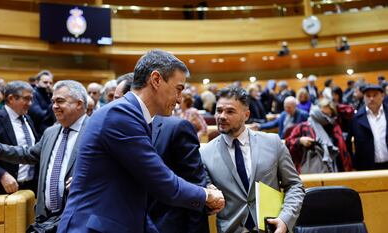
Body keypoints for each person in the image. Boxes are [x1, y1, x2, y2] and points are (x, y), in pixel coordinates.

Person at [58, 49, 224, 233]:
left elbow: (137, 191)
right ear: (156, 79)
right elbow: (161, 181)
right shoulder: (121, 115)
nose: (179, 99)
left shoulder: (136, 116)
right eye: (178, 89)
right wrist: (206, 194)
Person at [114, 73, 210, 233]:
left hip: (164, 226)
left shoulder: (176, 128)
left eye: (117, 98)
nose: (112, 104)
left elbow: (195, 186)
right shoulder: (114, 133)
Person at [0, 80, 88, 219]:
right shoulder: (51, 132)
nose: (54, 106)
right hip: (45, 218)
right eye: (53, 101)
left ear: (79, 103)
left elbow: (115, 167)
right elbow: (27, 154)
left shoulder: (97, 130)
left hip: (78, 218)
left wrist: (92, 178)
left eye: (60, 101)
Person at [201, 87, 304, 233]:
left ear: (246, 115)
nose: (222, 116)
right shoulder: (204, 153)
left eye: (230, 111)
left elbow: (294, 185)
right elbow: (207, 200)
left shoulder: (273, 143)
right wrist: (209, 202)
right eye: (219, 110)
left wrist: (285, 219)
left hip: (272, 228)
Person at [0, 81, 39, 195]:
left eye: (31, 99)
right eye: (26, 99)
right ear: (11, 98)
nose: (30, 103)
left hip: (30, 188)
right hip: (0, 189)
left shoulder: (28, 119)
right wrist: (2, 175)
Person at [286, 99, 353, 173]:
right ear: (317, 111)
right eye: (323, 114)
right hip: (312, 170)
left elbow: (349, 111)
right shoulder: (305, 126)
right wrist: (300, 141)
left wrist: (334, 104)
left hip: (336, 168)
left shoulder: (335, 125)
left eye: (329, 115)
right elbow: (288, 142)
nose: (327, 117)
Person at [351, 84, 388, 170]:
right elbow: (351, 143)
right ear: (364, 98)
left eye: (375, 95)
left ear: (382, 96)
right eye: (368, 96)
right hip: (368, 166)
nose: (371, 99)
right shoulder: (356, 118)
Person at [28, 70, 56, 137]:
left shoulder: (50, 95)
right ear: (37, 82)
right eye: (45, 82)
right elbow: (38, 114)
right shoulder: (32, 94)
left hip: (48, 131)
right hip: (37, 133)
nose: (48, 85)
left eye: (50, 83)